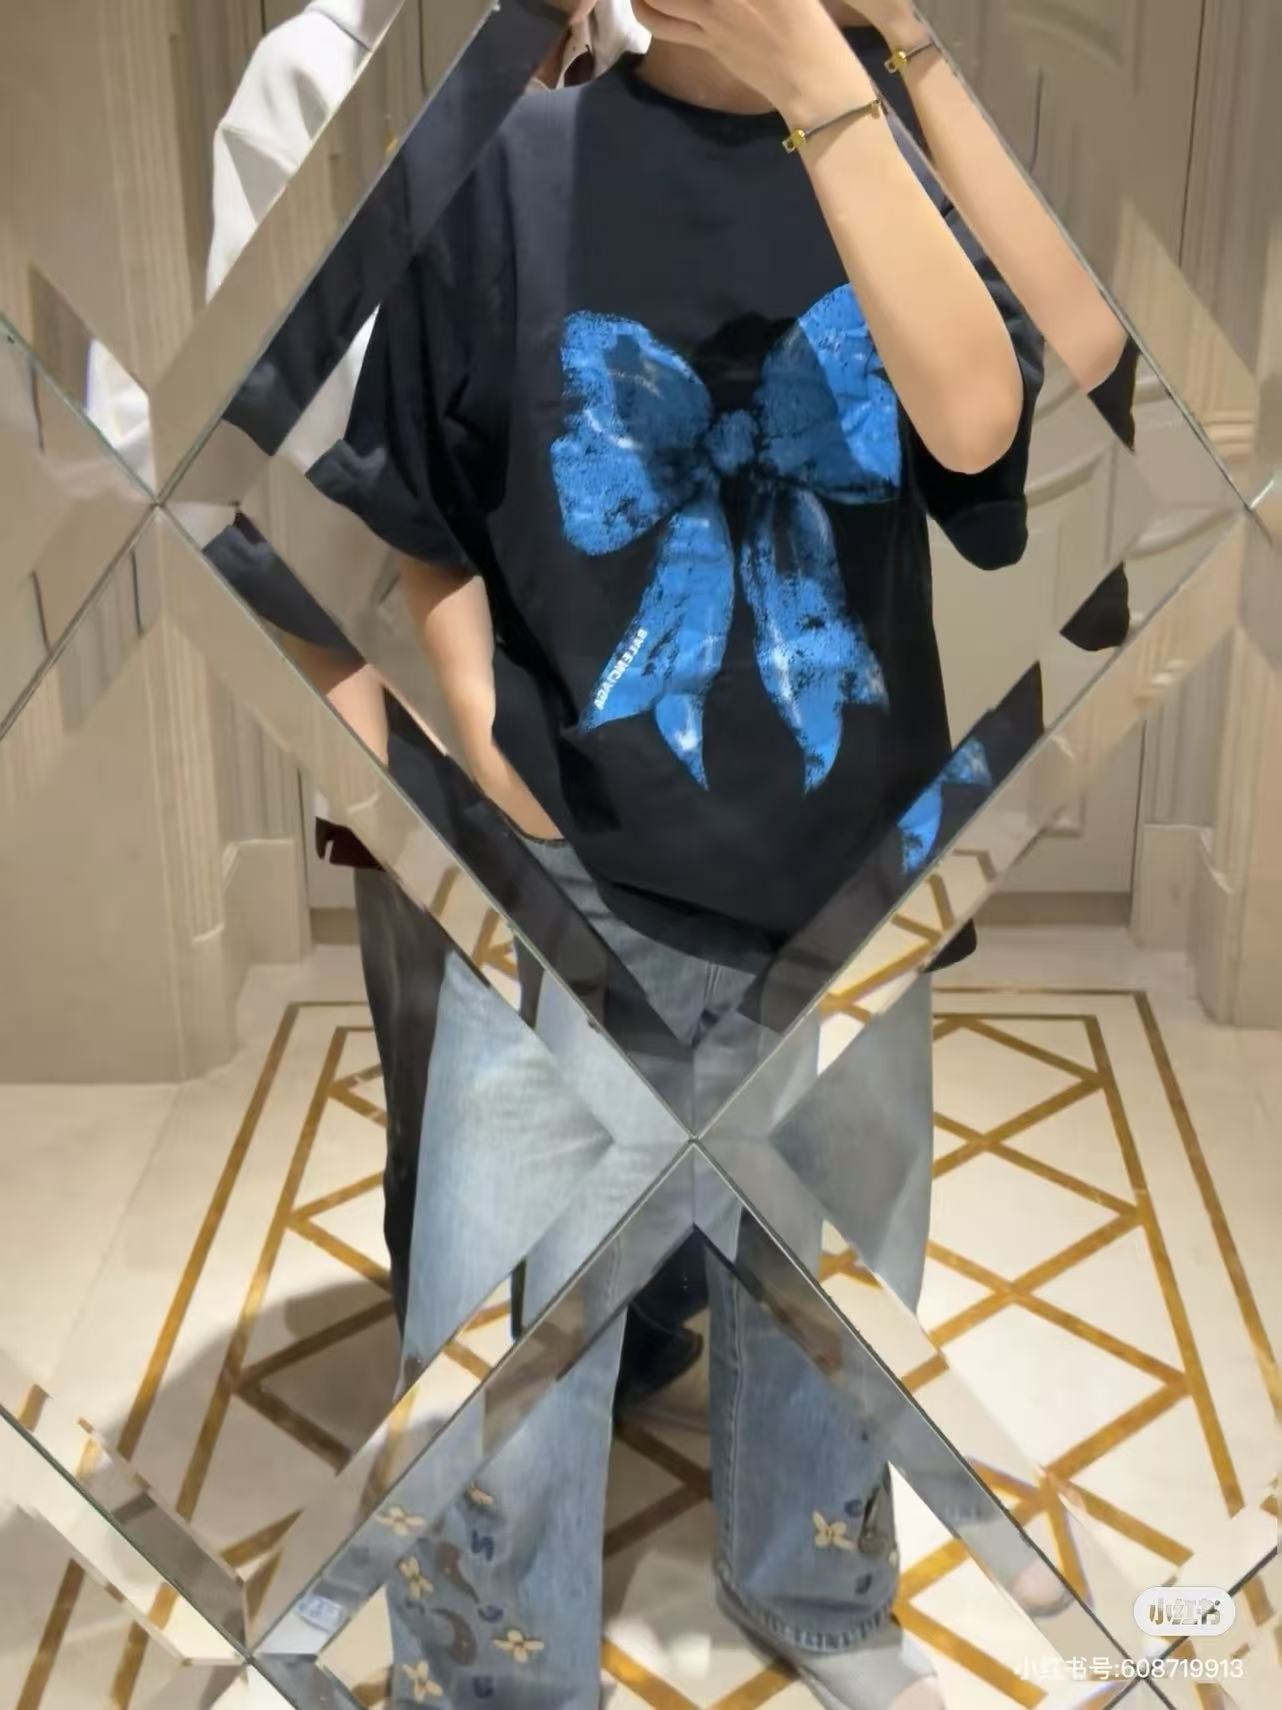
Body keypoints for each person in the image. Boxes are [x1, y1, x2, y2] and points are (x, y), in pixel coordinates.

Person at [329, 0, 1050, 1703]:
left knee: (834, 1276)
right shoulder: (509, 166)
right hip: (577, 860)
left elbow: (974, 434)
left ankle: (818, 1585)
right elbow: (415, 483)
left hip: (848, 862)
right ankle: (493, 1667)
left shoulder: (899, 172)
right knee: (515, 1311)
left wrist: (833, 81)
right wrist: (469, 708)